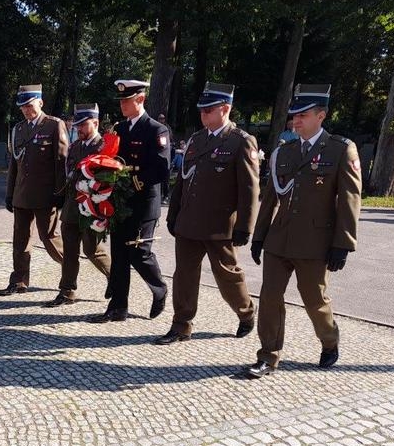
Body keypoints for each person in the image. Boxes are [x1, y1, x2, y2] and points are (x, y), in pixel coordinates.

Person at [246, 84, 361, 379]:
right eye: (294, 116)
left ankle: (329, 339)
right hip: (279, 239)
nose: (296, 121)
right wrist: (259, 237)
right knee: (270, 297)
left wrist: (343, 244)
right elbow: (271, 197)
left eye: (303, 115)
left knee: (314, 299)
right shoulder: (285, 152)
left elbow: (350, 199)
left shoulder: (339, 149)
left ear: (321, 115)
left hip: (315, 242)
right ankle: (268, 356)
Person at [158, 82, 259, 344]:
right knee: (184, 277)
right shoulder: (196, 140)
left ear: (225, 109)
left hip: (219, 224)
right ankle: (181, 325)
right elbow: (183, 180)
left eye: (209, 110)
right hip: (189, 222)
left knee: (227, 276)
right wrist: (174, 213)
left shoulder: (241, 142)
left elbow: (249, 189)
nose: (203, 115)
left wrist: (244, 227)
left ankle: (246, 312)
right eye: (201, 111)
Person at [92, 79, 169, 323]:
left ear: (141, 100)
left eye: (127, 100)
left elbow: (161, 167)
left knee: (139, 252)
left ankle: (159, 288)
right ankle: (118, 306)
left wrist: (134, 181)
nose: (123, 105)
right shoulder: (121, 130)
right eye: (121, 101)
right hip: (121, 200)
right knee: (119, 254)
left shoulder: (156, 129)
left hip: (144, 201)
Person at [0, 84, 67, 294]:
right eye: (23, 107)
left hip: (46, 196)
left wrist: (60, 192)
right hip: (21, 196)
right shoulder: (18, 129)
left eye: (30, 106)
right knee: (20, 241)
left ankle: (70, 267)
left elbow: (61, 162)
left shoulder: (54, 125)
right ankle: (18, 281)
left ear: (40, 102)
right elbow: (14, 165)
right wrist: (10, 194)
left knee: (49, 238)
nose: (27, 110)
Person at [46, 104, 111, 307]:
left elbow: (107, 180)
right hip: (72, 206)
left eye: (83, 125)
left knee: (92, 249)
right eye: (77, 125)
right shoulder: (75, 147)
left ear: (96, 123)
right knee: (70, 250)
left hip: (92, 208)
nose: (79, 129)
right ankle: (67, 291)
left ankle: (115, 277)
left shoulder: (103, 146)